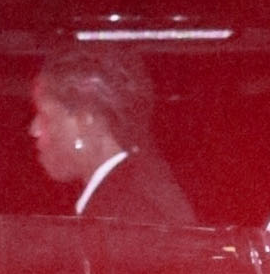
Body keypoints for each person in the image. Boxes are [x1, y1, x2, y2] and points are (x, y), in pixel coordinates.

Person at [28, 47, 197, 226]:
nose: (34, 129)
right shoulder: (141, 188)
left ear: (85, 120)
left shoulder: (121, 213)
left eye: (45, 115)